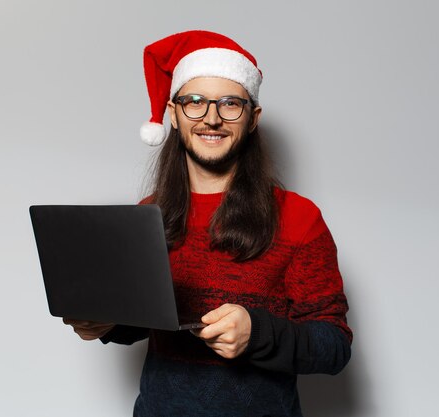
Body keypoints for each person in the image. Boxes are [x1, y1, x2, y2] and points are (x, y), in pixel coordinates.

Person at [64, 30, 352, 417]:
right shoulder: (149, 214)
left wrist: (259, 333)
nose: (211, 118)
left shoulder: (299, 218)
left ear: (252, 118)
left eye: (230, 103)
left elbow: (334, 345)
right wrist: (106, 324)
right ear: (173, 113)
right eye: (194, 102)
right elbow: (145, 321)